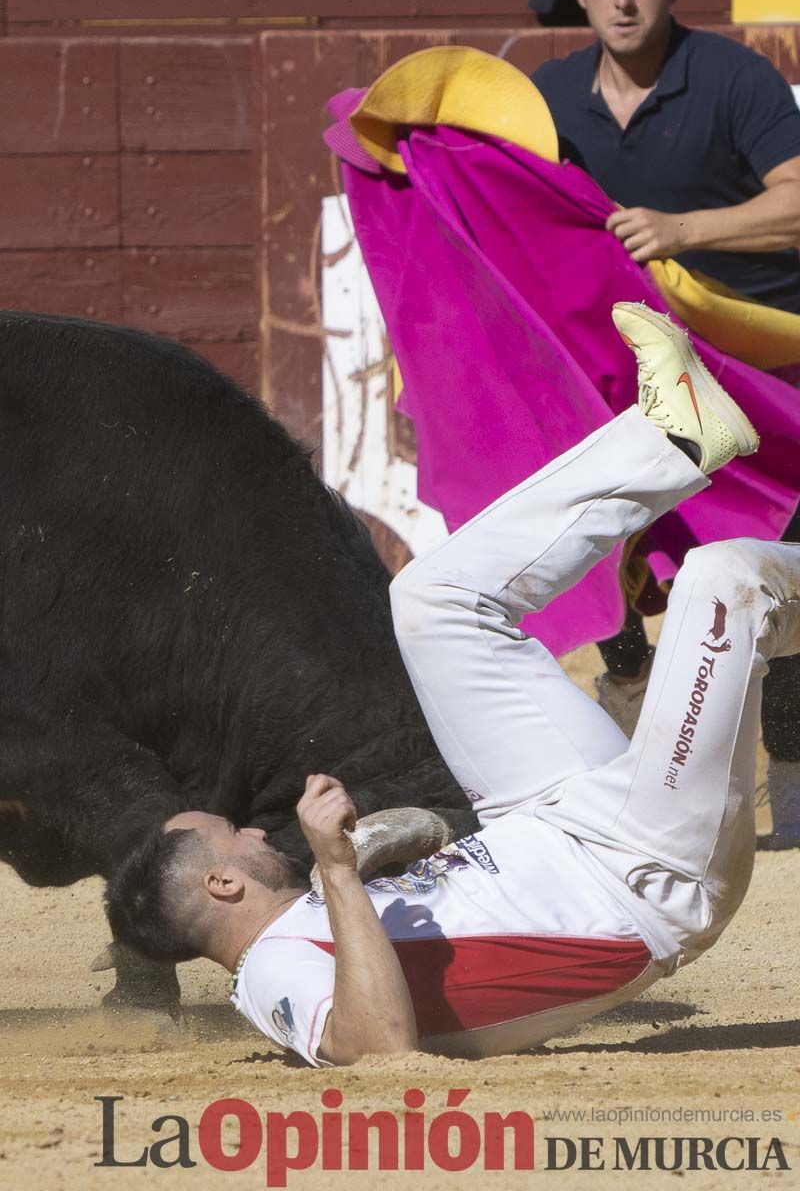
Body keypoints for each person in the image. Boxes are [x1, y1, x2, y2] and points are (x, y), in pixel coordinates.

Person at [106, 303, 799, 1066]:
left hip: (543, 821)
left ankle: (673, 438)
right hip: (640, 876)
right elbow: (375, 1050)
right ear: (222, 884)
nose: (253, 829)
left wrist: (368, 858)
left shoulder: (306, 917)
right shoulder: (273, 974)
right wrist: (337, 867)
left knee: (435, 603)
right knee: (725, 582)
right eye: (232, 837)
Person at [530, 0, 800, 844]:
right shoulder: (548, 96)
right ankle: (628, 679)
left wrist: (684, 228)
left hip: (756, 371)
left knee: (771, 563)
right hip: (623, 369)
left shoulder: (730, 76)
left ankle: (790, 773)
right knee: (593, 536)